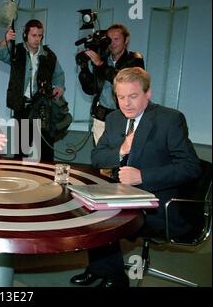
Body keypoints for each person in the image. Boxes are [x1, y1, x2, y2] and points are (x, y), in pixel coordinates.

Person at [70, 67, 201, 287]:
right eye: (121, 97)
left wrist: (143, 176)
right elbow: (97, 157)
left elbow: (191, 167)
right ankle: (100, 268)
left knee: (102, 217)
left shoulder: (170, 119)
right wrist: (121, 149)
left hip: (158, 202)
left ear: (147, 94)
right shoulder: (113, 119)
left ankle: (116, 278)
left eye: (133, 96)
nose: (126, 103)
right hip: (120, 194)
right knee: (86, 206)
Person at [0, 19, 67, 162]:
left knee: (46, 149)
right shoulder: (17, 50)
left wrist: (60, 87)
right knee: (20, 149)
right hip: (22, 107)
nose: (37, 39)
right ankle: (17, 181)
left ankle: (47, 180)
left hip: (42, 106)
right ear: (25, 35)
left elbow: (59, 74)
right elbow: (0, 54)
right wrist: (6, 40)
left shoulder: (49, 55)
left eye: (40, 35)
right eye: (33, 35)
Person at [78, 23, 144, 145]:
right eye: (109, 39)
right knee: (102, 159)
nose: (112, 43)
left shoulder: (134, 59)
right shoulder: (103, 59)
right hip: (101, 118)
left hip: (124, 118)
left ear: (126, 40)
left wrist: (100, 65)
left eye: (116, 39)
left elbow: (124, 82)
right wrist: (84, 68)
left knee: (122, 158)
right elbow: (91, 89)